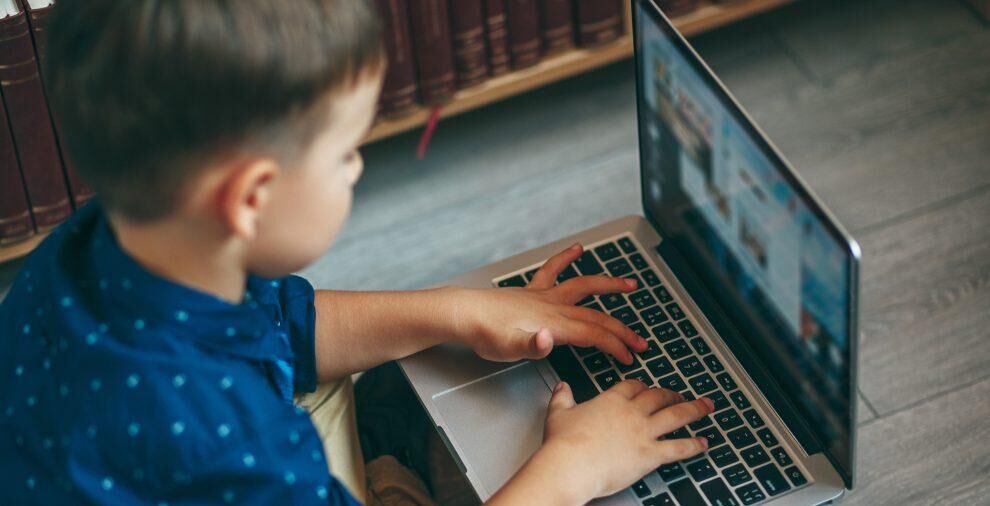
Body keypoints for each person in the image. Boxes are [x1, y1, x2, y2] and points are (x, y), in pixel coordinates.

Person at [0, 1, 714, 504]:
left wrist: (457, 311)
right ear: (250, 197)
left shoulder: (92, 250)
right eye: (345, 153)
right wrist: (572, 469)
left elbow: (276, 327)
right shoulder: (232, 442)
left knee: (417, 387)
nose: (357, 169)